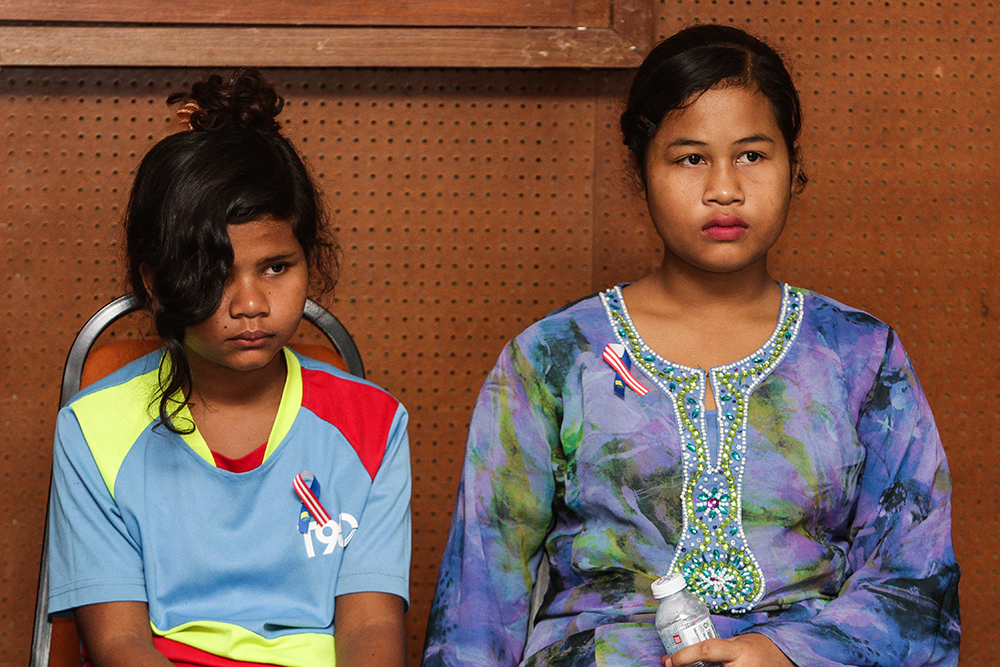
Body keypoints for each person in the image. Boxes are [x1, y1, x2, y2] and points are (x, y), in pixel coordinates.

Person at [421, 24, 959, 667]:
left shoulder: (860, 356)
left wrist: (784, 652)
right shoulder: (554, 357)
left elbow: (918, 589)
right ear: (640, 170)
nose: (724, 189)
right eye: (690, 158)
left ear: (795, 165)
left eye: (754, 156)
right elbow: (480, 603)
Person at [47, 69, 410, 667]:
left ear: (307, 263)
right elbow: (119, 641)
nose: (249, 303)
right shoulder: (93, 430)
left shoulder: (373, 423)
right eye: (214, 270)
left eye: (275, 267)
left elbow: (371, 628)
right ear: (155, 281)